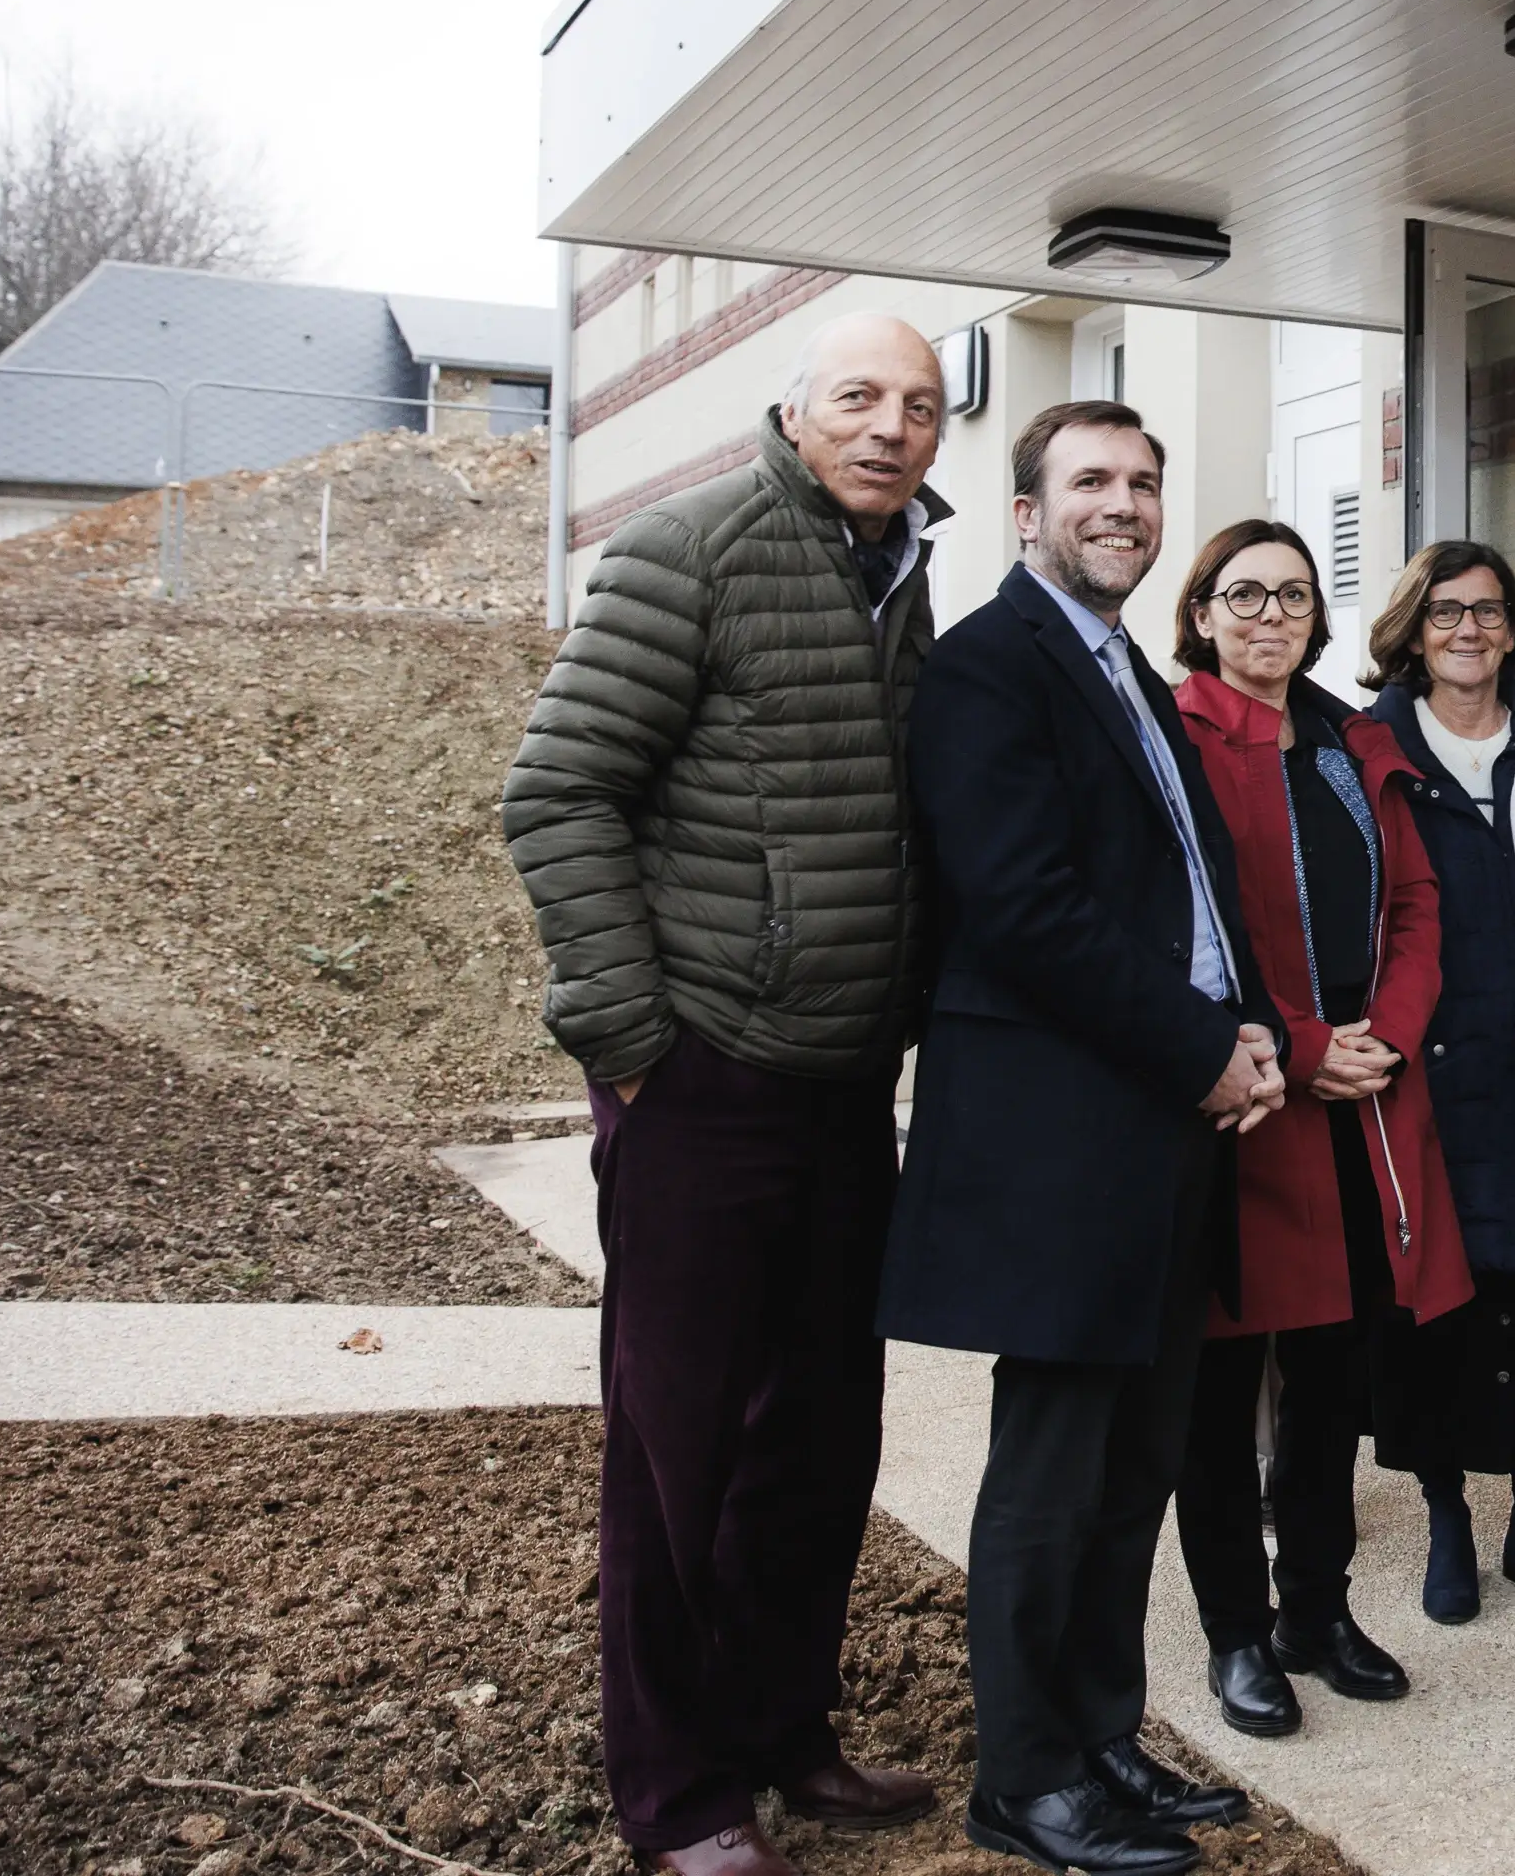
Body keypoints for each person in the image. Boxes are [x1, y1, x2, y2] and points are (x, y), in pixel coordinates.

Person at [502, 315, 952, 1876]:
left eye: (920, 404)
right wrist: (632, 1035)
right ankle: (677, 1789)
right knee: (677, 1450)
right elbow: (558, 789)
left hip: (839, 1085)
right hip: (702, 1077)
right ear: (793, 407)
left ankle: (781, 1728)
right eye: (859, 398)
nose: (891, 427)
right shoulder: (687, 547)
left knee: (820, 1437)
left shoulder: (897, 572)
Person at [881, 401, 1284, 1876]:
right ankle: (1026, 1777)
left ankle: (1105, 1738)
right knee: (1050, 1477)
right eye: (1092, 483)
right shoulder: (991, 666)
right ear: (1027, 511)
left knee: (1137, 1461)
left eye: (1143, 482)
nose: (1123, 503)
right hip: (1062, 1133)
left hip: (1165, 1126)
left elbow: (1185, 883)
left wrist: (1252, 1035)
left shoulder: (1128, 672)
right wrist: (1202, 1052)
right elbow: (1027, 908)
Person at [1165, 519, 1474, 1737]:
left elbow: (1413, 902)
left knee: (1338, 1377)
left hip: (1363, 1095)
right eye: (1243, 594)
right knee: (1224, 1381)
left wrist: (1385, 1034)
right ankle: (1237, 1634)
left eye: (1291, 594)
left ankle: (1317, 1608)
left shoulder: (1352, 743)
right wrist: (1297, 1043)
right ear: (1200, 612)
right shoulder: (1175, 735)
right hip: (1247, 1099)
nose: (1268, 614)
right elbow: (1175, 929)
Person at [1363, 542, 1515, 1624]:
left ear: (1513, 628)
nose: (1468, 631)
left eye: (1489, 612)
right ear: (1413, 629)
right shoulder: (1369, 748)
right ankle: (1447, 1514)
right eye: (1446, 612)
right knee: (1436, 1306)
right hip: (1427, 1064)